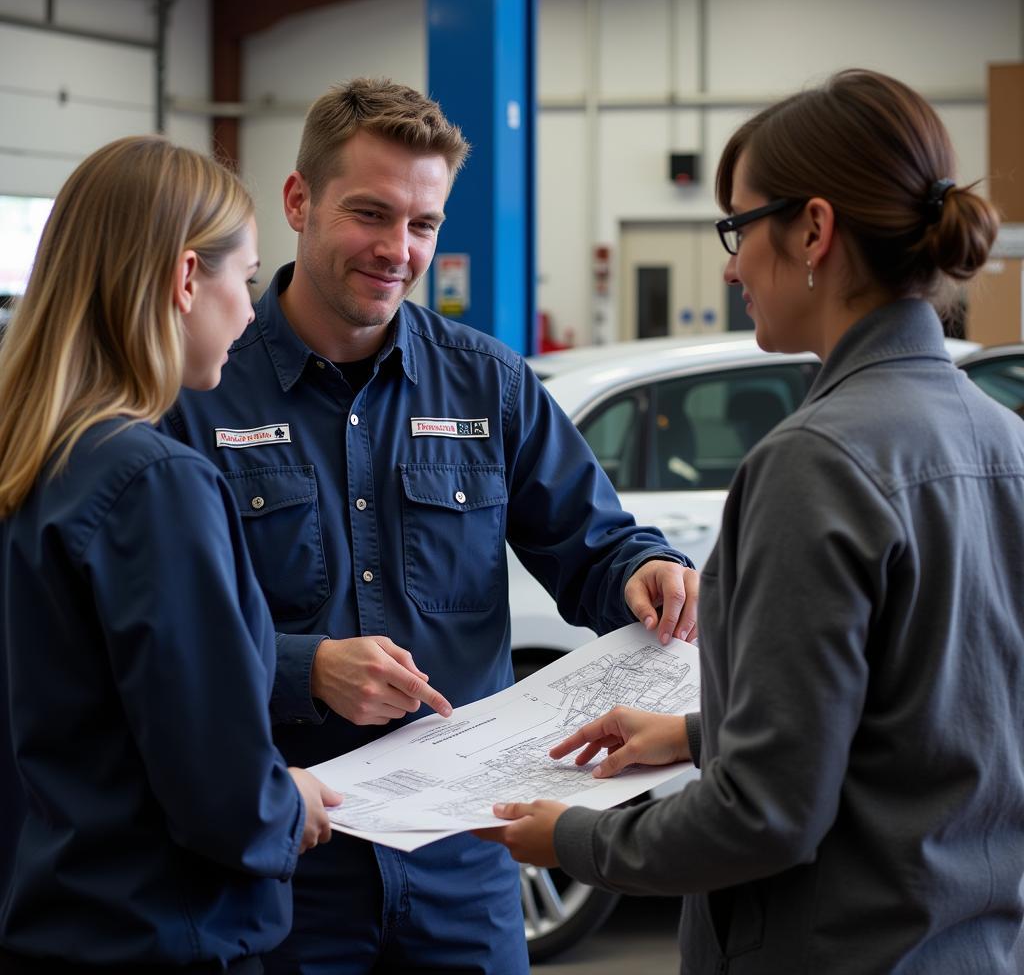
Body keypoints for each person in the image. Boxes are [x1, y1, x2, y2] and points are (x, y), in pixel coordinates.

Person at [477, 69, 1024, 974]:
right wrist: (697, 734)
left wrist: (573, 840)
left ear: (813, 229)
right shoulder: (1005, 440)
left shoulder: (816, 462)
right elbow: (928, 717)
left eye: (737, 227)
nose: (729, 265)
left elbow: (763, 816)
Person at [160, 77, 699, 975]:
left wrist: (645, 569)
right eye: (370, 215)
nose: (396, 250)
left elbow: (595, 546)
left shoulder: (489, 384)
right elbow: (164, 637)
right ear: (298, 201)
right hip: (289, 863)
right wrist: (305, 668)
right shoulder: (202, 392)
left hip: (464, 865)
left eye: (423, 225)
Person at [0, 136, 342, 972]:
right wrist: (287, 803)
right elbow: (221, 789)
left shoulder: (30, 459)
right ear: (188, 278)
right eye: (248, 278)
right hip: (159, 931)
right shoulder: (152, 482)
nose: (252, 311)